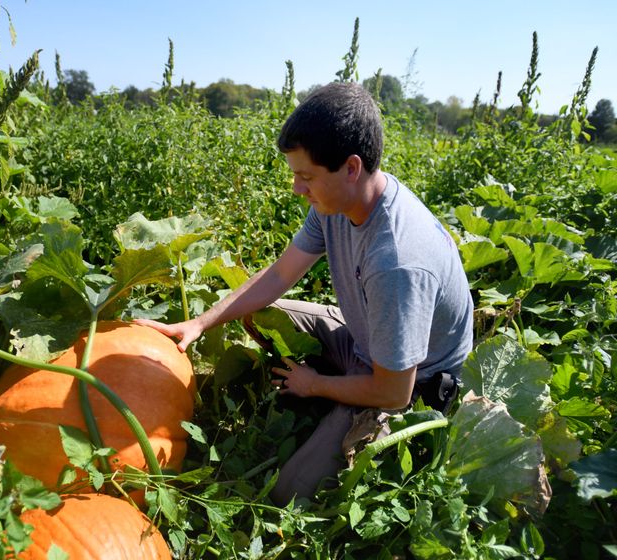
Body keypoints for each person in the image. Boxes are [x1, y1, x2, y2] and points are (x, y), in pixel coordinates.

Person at [135, 82, 473, 506]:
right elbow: (280, 274)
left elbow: (393, 393)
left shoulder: (397, 262)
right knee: (256, 312)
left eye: (306, 176)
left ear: (351, 168)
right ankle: (327, 392)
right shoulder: (336, 202)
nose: (298, 188)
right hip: (366, 335)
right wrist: (200, 322)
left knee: (289, 494)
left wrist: (315, 385)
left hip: (408, 382)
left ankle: (332, 406)